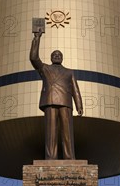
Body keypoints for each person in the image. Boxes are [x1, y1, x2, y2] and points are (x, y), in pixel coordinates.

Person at [30, 30, 83, 160]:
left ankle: (69, 158)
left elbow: (75, 89)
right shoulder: (45, 69)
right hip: (50, 102)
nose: (57, 56)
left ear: (62, 58)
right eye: (54, 54)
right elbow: (34, 58)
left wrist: (79, 105)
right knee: (51, 133)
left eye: (59, 55)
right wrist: (37, 38)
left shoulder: (69, 72)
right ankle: (50, 158)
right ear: (51, 58)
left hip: (65, 103)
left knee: (67, 133)